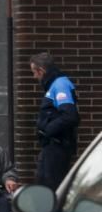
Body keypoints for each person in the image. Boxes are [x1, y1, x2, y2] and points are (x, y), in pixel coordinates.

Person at [30, 52, 79, 189]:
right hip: (53, 145)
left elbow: (70, 116)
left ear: (42, 70)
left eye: (35, 72)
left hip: (57, 145)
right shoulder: (55, 84)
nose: (35, 77)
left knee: (50, 186)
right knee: (44, 184)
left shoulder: (60, 85)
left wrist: (47, 130)